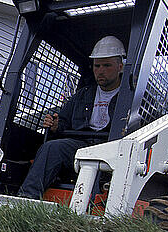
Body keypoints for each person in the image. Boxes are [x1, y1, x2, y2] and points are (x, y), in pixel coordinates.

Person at [17, 35, 126, 199]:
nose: (100, 70)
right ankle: (27, 197)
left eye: (107, 65)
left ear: (120, 67)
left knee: (96, 161)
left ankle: (93, 204)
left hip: (112, 146)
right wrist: (55, 125)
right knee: (51, 148)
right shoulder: (83, 94)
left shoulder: (129, 95)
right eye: (97, 66)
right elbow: (63, 121)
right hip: (82, 144)